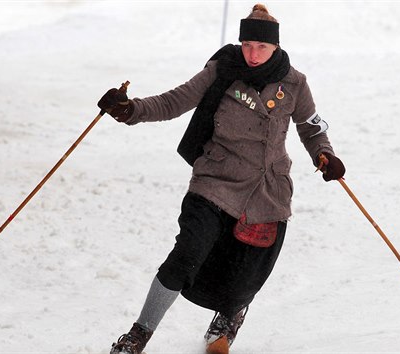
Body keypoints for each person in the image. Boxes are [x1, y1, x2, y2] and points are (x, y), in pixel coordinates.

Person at [97, 4, 345, 354]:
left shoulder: (294, 83)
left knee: (245, 267)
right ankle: (138, 335)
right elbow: (173, 102)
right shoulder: (222, 70)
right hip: (215, 180)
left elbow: (311, 128)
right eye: (247, 45)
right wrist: (130, 110)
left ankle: (227, 318)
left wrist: (325, 155)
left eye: (260, 47)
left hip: (266, 191)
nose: (252, 54)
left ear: (275, 47)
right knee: (187, 253)